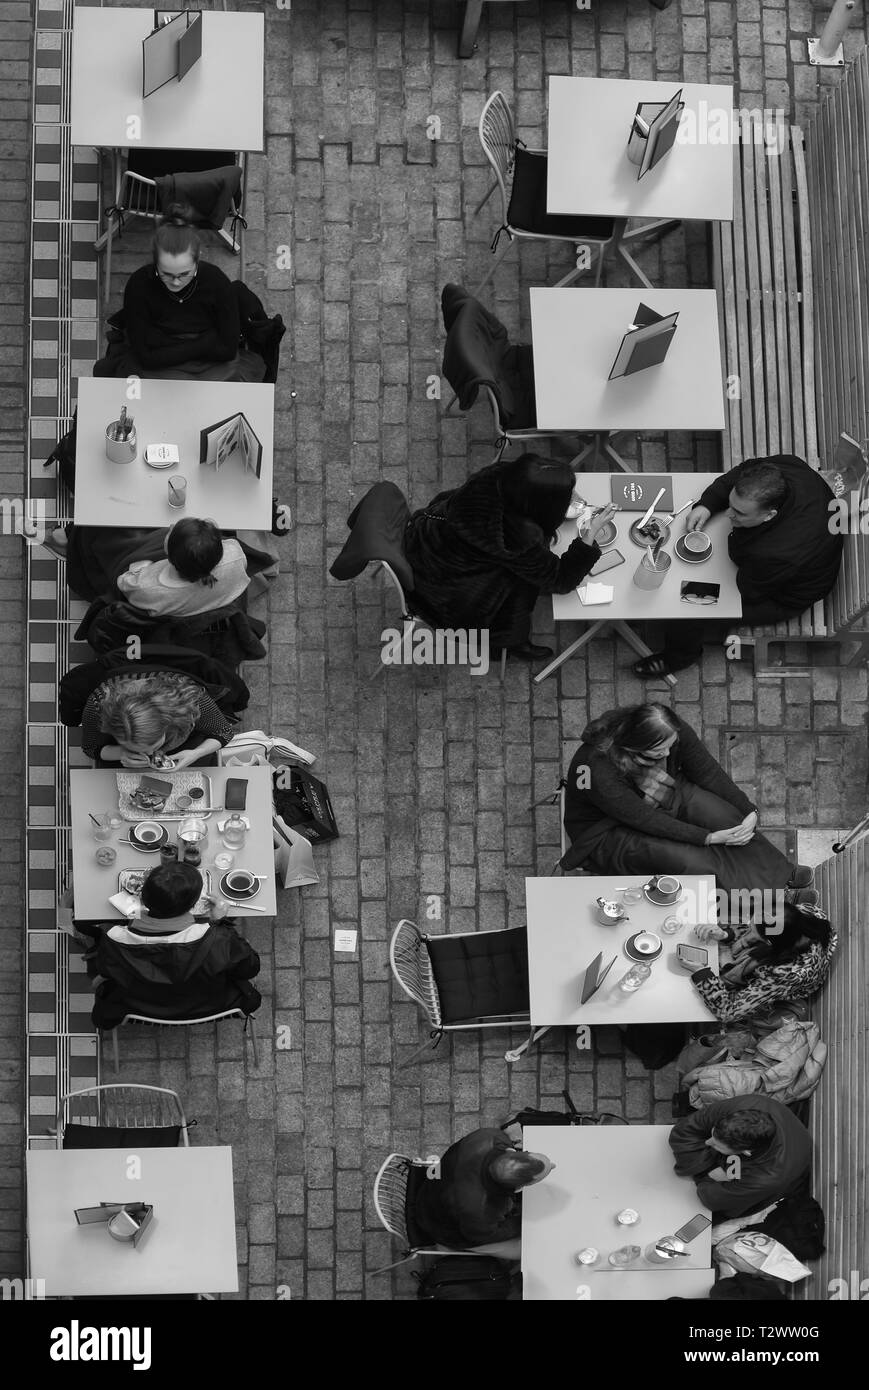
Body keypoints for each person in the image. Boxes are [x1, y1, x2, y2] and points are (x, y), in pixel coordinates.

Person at [562, 703, 806, 905]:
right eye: (660, 751)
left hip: (664, 790)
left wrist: (747, 809)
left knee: (725, 816)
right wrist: (708, 838)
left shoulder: (668, 729)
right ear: (633, 748)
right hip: (609, 829)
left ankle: (780, 875)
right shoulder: (598, 769)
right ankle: (771, 900)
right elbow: (646, 820)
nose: (668, 755)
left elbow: (707, 771)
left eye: (670, 747)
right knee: (693, 860)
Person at [633, 456, 844, 678]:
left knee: (690, 602)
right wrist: (708, 504)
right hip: (779, 563)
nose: (728, 514)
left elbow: (747, 591)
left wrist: (727, 551)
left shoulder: (776, 553)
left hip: (781, 596)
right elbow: (742, 471)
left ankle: (681, 655)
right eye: (731, 504)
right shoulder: (785, 467)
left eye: (740, 513)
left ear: (770, 515)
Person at [403, 453, 616, 660]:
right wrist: (590, 534)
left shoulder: (500, 475)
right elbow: (561, 580)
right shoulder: (515, 536)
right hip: (446, 592)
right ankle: (512, 644)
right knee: (520, 591)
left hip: (426, 538)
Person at [94, 207, 264, 382]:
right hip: (161, 371)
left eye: (184, 274)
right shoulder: (140, 285)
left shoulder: (217, 282)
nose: (176, 282)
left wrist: (163, 345)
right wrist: (207, 342)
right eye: (166, 274)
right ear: (155, 263)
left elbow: (228, 351)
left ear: (198, 258)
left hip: (208, 369)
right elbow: (144, 357)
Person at [88, 862, 261, 1029]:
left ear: (143, 898)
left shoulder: (114, 938)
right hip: (210, 1006)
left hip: (139, 1008)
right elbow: (250, 969)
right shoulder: (220, 939)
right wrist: (220, 922)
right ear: (194, 905)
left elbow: (101, 970)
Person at [409, 1127, 555, 1254]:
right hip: (434, 1222)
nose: (553, 1166)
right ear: (519, 1188)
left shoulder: (489, 1137)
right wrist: (521, 1224)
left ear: (510, 1150)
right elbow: (478, 1236)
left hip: (433, 1187)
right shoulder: (483, 1212)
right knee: (524, 1248)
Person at [689, 902, 837, 1023]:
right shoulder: (802, 913)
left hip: (783, 983)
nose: (748, 927)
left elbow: (728, 1013)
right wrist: (726, 934)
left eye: (752, 931)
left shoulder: (784, 974)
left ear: (767, 943)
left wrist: (701, 973)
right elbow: (759, 929)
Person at [669, 1096, 812, 1219]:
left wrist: (704, 1175)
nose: (707, 1142)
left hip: (781, 1172)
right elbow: (684, 1130)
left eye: (717, 1145)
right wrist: (710, 1169)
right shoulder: (744, 1108)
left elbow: (713, 1199)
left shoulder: (766, 1177)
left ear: (746, 1152)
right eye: (713, 1134)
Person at [80, 670, 235, 767]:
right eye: (136, 747)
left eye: (153, 746)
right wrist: (120, 753)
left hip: (186, 749)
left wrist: (196, 753)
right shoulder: (97, 706)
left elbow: (224, 731)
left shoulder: (190, 699)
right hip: (123, 762)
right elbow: (90, 747)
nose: (149, 754)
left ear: (168, 722)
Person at [114, 518, 251, 617]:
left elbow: (123, 582)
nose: (172, 525)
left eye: (170, 533)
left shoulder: (145, 587)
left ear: (168, 554)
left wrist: (141, 566)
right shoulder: (236, 554)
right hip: (214, 604)